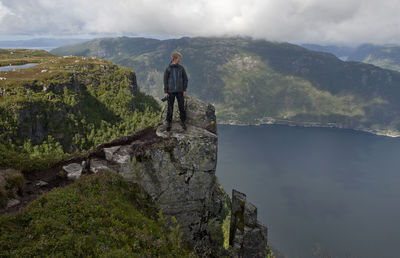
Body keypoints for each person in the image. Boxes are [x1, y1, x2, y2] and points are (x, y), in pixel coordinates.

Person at [163, 51, 188, 131]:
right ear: (175, 58)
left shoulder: (181, 68)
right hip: (170, 91)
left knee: (181, 107)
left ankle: (183, 121)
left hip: (180, 91)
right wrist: (166, 92)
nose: (179, 60)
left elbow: (185, 79)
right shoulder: (168, 68)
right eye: (179, 58)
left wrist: (184, 89)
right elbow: (165, 81)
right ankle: (169, 123)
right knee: (170, 107)